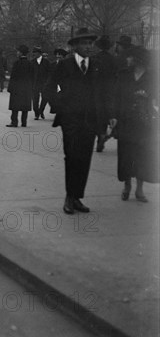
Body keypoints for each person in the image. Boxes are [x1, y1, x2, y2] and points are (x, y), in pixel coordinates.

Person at [49, 28, 111, 215]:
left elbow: (103, 95)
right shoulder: (65, 65)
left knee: (85, 159)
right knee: (72, 157)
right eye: (84, 43)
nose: (88, 46)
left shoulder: (97, 66)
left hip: (90, 122)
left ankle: (77, 198)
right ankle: (69, 196)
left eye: (90, 43)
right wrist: (61, 106)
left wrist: (104, 121)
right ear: (75, 46)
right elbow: (49, 87)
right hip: (71, 121)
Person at [110, 46, 158, 202]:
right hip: (125, 120)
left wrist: (147, 97)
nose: (127, 59)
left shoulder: (152, 76)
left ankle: (139, 189)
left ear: (138, 60)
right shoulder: (123, 74)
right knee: (125, 155)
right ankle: (127, 185)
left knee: (141, 155)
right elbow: (115, 96)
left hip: (144, 122)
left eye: (130, 57)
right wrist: (113, 116)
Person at [93, 35, 118, 152]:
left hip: (97, 90)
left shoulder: (94, 58)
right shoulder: (113, 59)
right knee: (109, 113)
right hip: (110, 90)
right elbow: (116, 76)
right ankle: (106, 134)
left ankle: (100, 136)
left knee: (98, 114)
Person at [6, 45, 33, 127]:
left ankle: (14, 122)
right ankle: (24, 122)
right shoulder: (29, 63)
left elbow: (13, 77)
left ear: (21, 53)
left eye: (18, 51)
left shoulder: (17, 63)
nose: (17, 53)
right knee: (25, 105)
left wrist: (10, 87)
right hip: (26, 87)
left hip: (17, 87)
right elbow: (32, 76)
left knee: (15, 106)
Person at [31, 46, 51, 120]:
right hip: (35, 83)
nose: (34, 54)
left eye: (35, 53)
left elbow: (49, 73)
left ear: (39, 53)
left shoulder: (46, 62)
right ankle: (36, 113)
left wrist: (48, 82)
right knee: (35, 100)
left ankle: (41, 110)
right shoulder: (32, 62)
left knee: (45, 98)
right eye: (33, 53)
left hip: (44, 83)